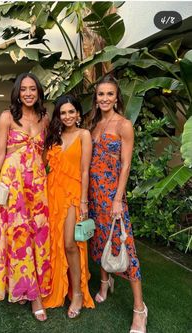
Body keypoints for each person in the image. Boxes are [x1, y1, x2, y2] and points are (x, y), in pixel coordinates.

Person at [0, 72, 51, 321]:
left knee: (39, 234)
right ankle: (31, 294)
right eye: (23, 89)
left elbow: (45, 154)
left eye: (32, 89)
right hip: (13, 185)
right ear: (17, 92)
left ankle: (36, 286)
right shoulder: (7, 117)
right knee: (19, 236)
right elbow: (0, 152)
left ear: (38, 92)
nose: (28, 93)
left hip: (36, 185)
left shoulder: (44, 119)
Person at [88, 74, 148, 333]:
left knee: (126, 248)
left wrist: (117, 199)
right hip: (93, 195)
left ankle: (139, 309)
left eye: (109, 94)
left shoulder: (123, 125)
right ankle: (105, 283)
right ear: (96, 97)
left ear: (116, 97)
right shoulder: (93, 125)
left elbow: (125, 166)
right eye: (101, 94)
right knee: (100, 240)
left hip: (113, 197)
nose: (104, 99)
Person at [43, 95, 95, 318]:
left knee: (70, 243)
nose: (67, 116)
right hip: (53, 193)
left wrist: (84, 201)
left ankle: (77, 293)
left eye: (71, 112)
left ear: (78, 114)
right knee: (55, 243)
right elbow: (44, 164)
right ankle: (59, 287)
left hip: (74, 195)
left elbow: (85, 171)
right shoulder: (54, 136)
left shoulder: (84, 135)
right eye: (63, 113)